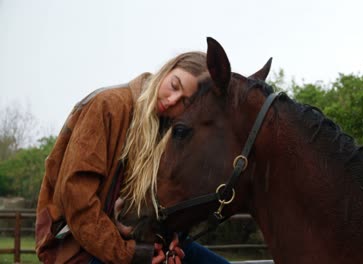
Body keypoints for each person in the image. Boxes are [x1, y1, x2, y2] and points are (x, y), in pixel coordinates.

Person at [35, 51, 230, 263]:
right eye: (174, 86)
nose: (172, 100)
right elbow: (77, 203)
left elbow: (158, 203)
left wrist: (171, 241)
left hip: (135, 242)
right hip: (79, 247)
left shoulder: (168, 132)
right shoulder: (107, 106)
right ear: (167, 70)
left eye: (184, 102)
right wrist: (132, 255)